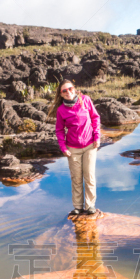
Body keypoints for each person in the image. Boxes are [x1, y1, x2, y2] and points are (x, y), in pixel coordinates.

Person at [48, 80, 101, 215]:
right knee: (76, 178)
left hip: (90, 145)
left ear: (74, 88)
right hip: (73, 149)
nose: (68, 92)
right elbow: (59, 130)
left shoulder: (86, 100)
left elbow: (95, 118)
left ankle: (90, 206)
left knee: (89, 176)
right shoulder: (61, 110)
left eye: (70, 89)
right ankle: (78, 207)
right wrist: (63, 147)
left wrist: (97, 136)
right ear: (60, 94)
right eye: (64, 91)